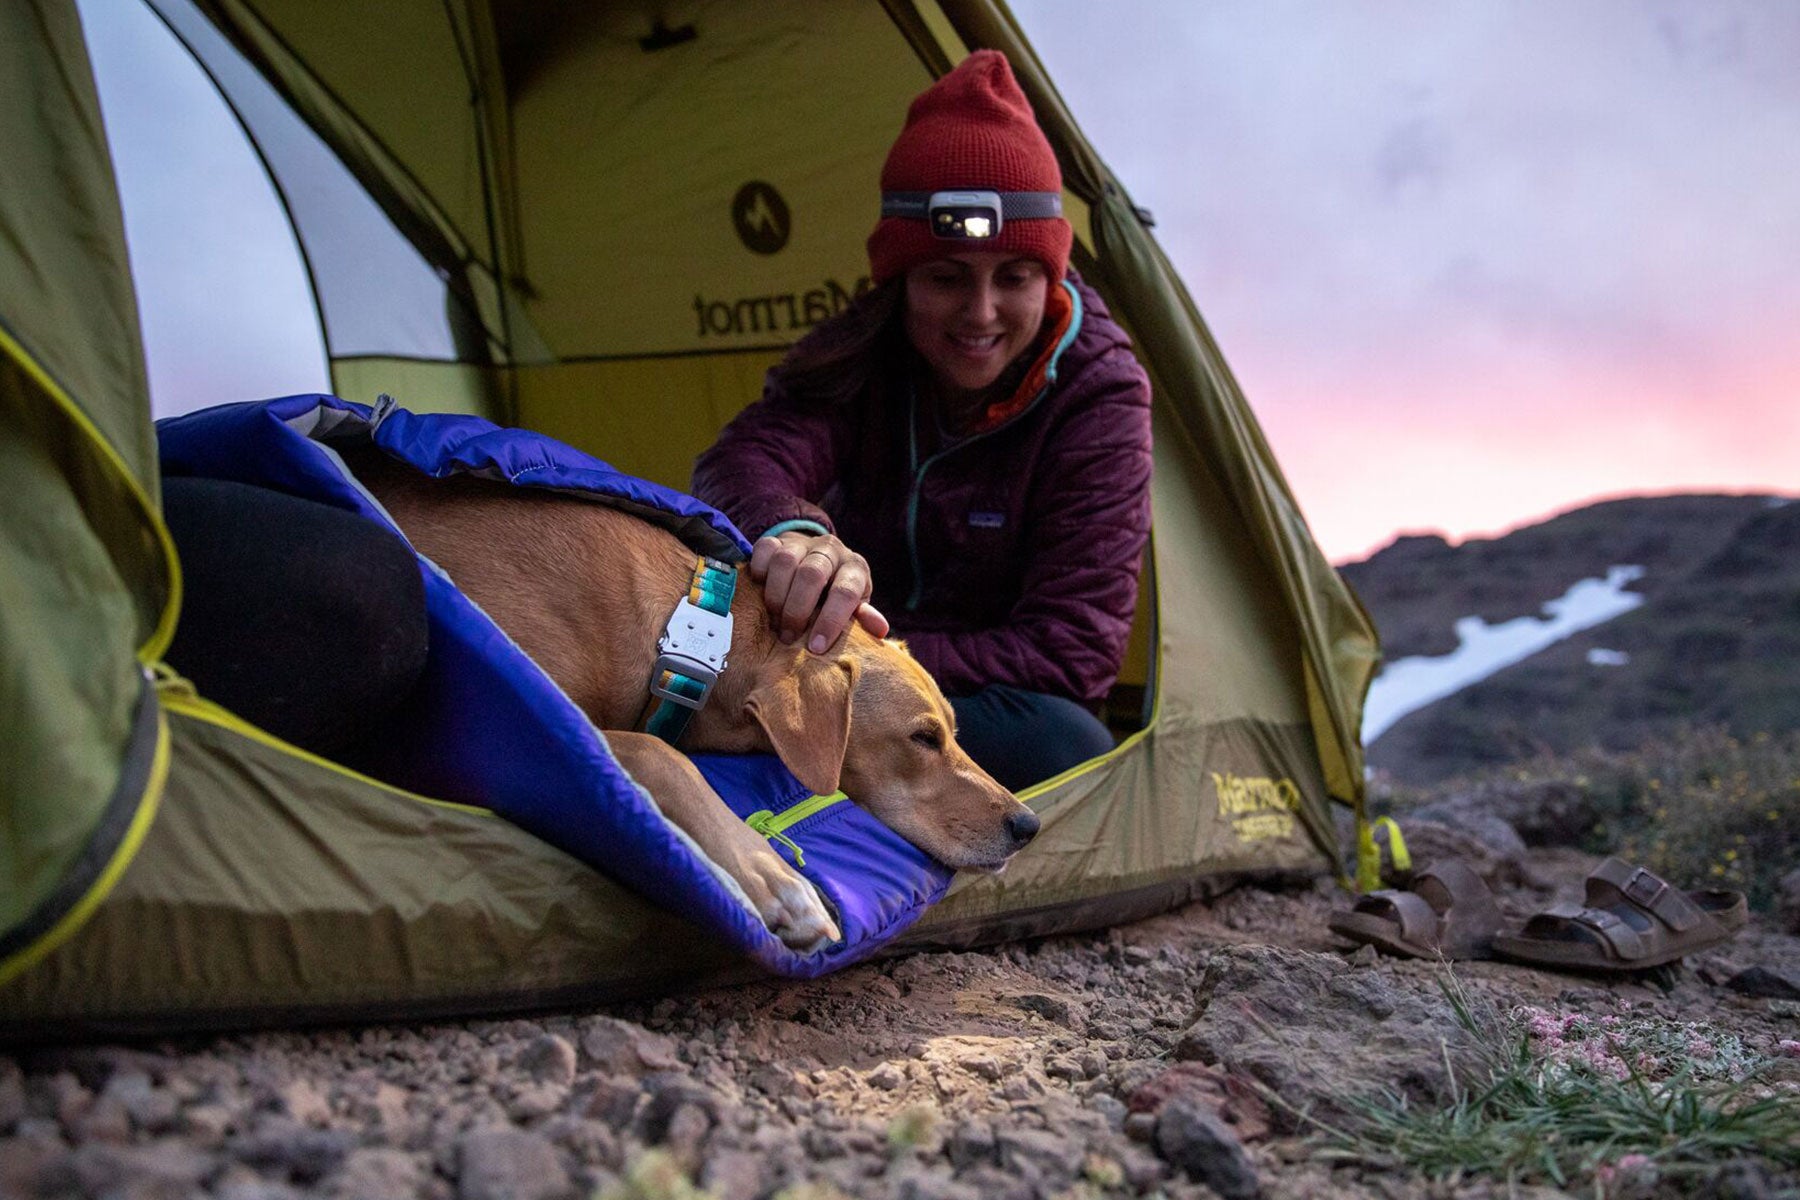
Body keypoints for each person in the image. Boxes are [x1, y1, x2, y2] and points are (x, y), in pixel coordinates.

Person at [693, 51, 1153, 792]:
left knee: (1068, 745)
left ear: (1053, 275)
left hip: (951, 687)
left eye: (1014, 276)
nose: (980, 314)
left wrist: (872, 655)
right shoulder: (866, 348)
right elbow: (746, 457)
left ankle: (775, 785)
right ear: (903, 278)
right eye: (945, 278)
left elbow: (1071, 654)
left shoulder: (1100, 393)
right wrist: (795, 532)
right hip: (832, 659)